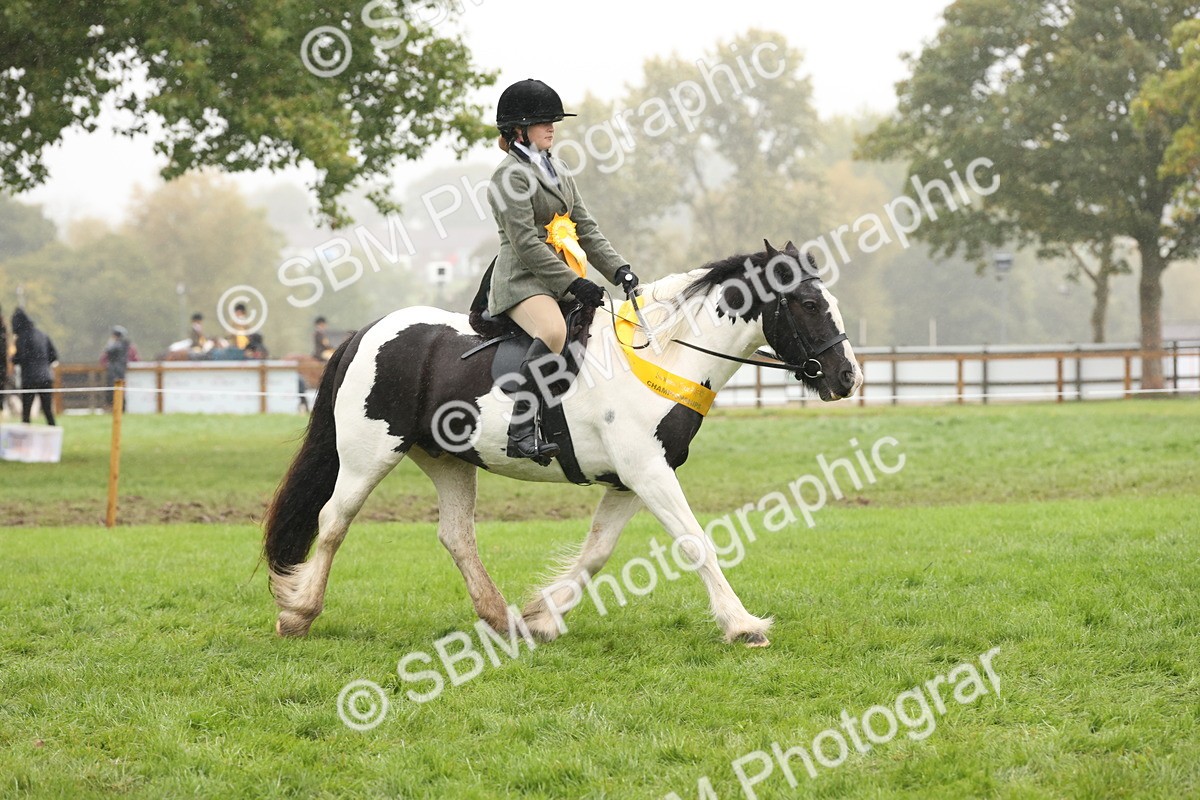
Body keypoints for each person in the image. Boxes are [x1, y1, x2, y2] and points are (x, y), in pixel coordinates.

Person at [488, 78, 639, 462]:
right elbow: (525, 244)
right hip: (521, 280)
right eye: (543, 122)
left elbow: (585, 228)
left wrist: (618, 269)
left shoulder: (558, 168)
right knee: (554, 331)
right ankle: (520, 431)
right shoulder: (510, 177)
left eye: (553, 122)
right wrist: (575, 282)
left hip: (558, 280)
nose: (551, 128)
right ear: (519, 130)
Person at [11, 308, 58, 426]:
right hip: (45, 377)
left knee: (26, 413)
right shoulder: (43, 335)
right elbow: (54, 356)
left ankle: (25, 437)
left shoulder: (21, 338)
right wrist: (42, 363)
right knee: (47, 410)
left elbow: (20, 358)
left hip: (29, 378)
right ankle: (53, 434)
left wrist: (12, 359)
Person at [101, 326, 136, 410]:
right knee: (119, 390)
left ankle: (115, 407)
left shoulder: (117, 344)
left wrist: (110, 342)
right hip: (120, 370)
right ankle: (120, 408)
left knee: (113, 389)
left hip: (115, 370)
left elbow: (108, 352)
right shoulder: (125, 344)